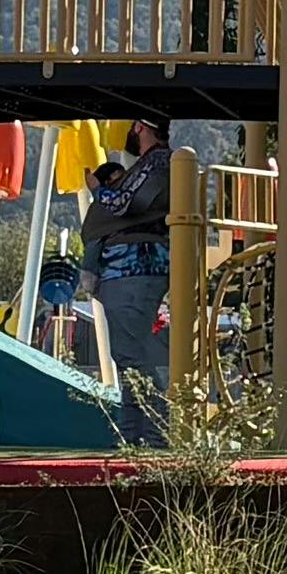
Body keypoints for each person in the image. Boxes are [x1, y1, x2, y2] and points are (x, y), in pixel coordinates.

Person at [86, 124, 177, 442]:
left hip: (133, 269)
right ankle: (133, 440)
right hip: (133, 271)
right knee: (130, 359)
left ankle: (153, 439)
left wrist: (97, 188)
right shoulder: (159, 163)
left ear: (139, 126)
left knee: (133, 358)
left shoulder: (157, 163)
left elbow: (126, 203)